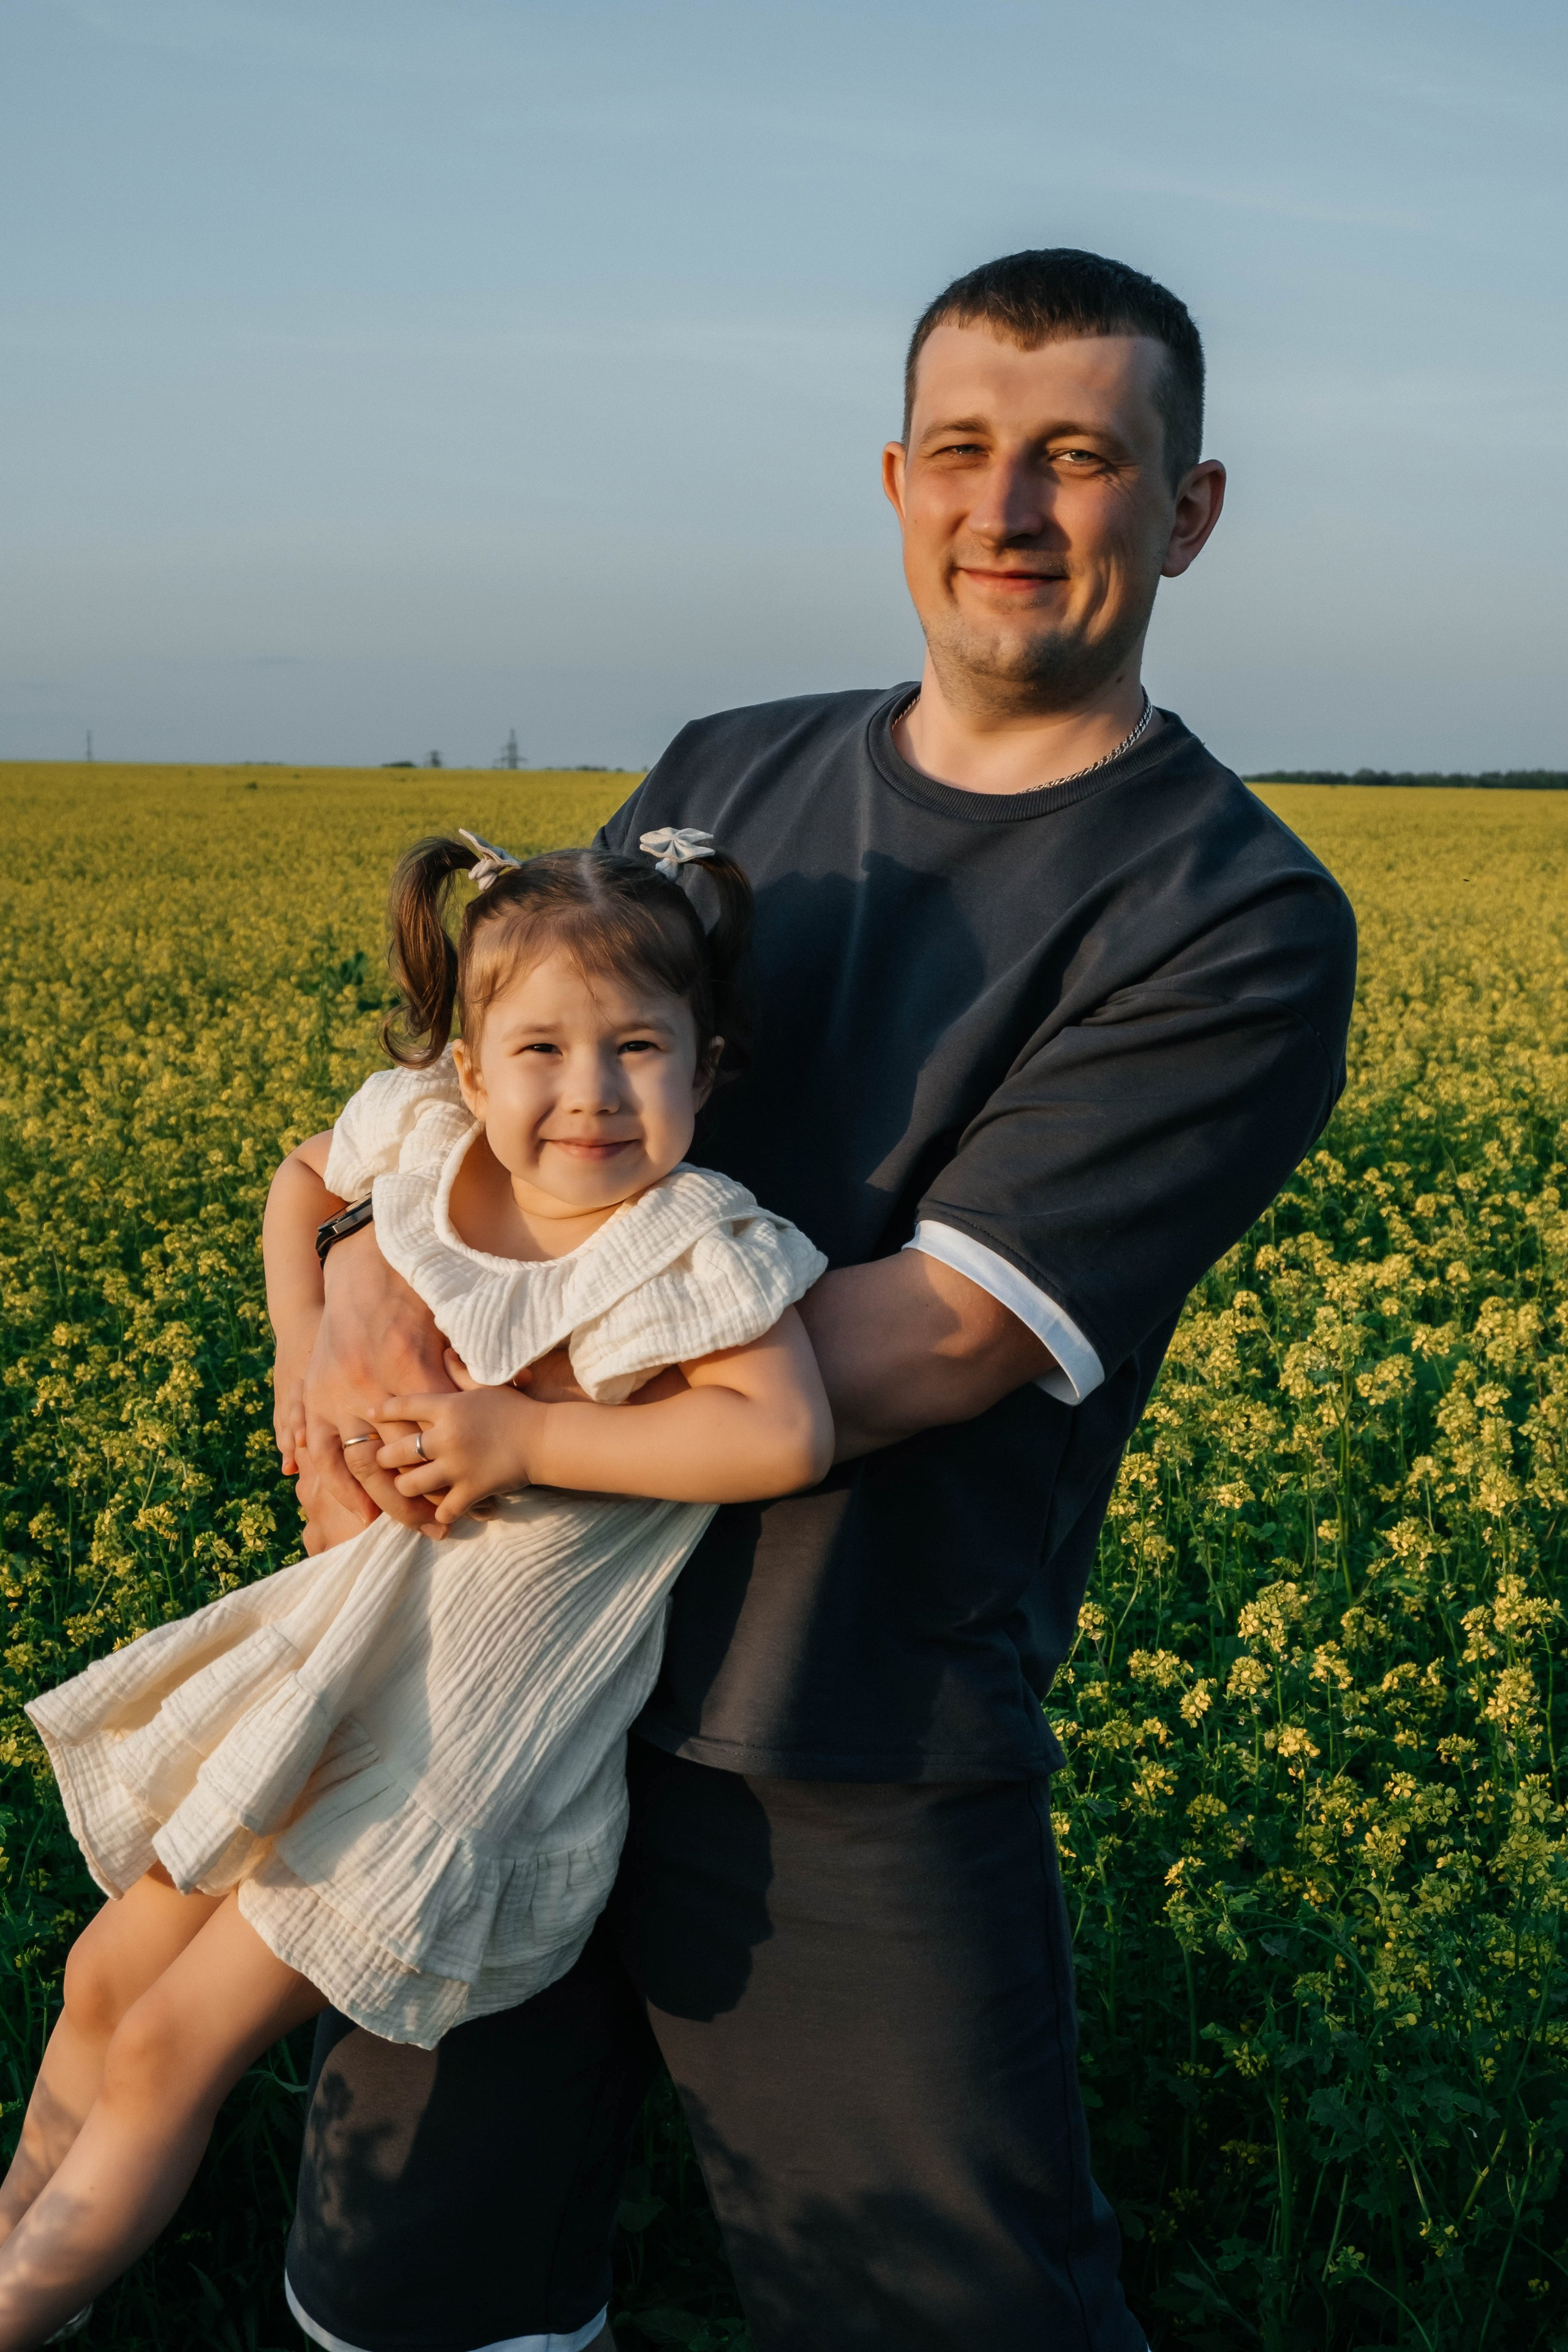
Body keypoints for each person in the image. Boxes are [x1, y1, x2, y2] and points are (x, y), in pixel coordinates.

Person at [275, 247, 1358, 2352]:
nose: (1010, 514)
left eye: (1080, 461)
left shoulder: (1230, 914)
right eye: (964, 454)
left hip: (837, 1728)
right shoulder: (730, 770)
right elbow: (477, 1099)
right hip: (484, 1667)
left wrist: (453, 1397)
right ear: (893, 479)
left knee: (944, 2317)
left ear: (1189, 509)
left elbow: (920, 1344)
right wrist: (335, 1284)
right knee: (416, 2288)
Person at [4, 836, 831, 2350]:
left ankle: (28, 2303)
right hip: (330, 1675)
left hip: (451, 1750)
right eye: (541, 1050)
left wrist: (526, 1434)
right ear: (467, 1064)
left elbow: (784, 1431)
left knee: (170, 2047)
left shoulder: (688, 1241)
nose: (588, 1091)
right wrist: (300, 1334)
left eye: (637, 1050)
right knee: (105, 1969)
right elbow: (299, 1181)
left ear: (705, 1074)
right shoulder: (419, 1144)